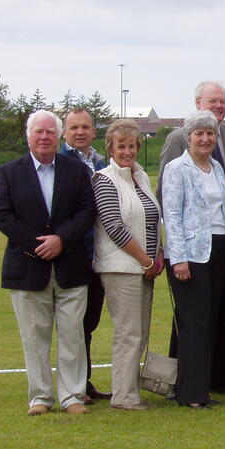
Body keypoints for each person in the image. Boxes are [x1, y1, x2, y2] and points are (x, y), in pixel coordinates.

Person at [0, 110, 96, 415]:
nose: (44, 136)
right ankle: (40, 398)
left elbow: (87, 212)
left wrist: (61, 240)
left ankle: (72, 397)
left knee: (73, 336)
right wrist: (39, 245)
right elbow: (3, 216)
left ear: (59, 135)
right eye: (38, 131)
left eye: (50, 131)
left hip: (71, 267)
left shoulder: (77, 171)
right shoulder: (9, 172)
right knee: (34, 338)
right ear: (28, 136)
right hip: (27, 267)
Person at [157, 80, 225, 397]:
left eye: (210, 133)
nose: (205, 138)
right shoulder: (177, 168)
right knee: (193, 322)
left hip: (218, 251)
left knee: (212, 319)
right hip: (190, 254)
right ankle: (190, 391)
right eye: (199, 134)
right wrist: (178, 258)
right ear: (188, 137)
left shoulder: (217, 167)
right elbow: (172, 213)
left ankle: (206, 384)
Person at [91, 120, 163, 411]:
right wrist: (145, 260)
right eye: (121, 146)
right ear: (110, 148)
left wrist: (157, 254)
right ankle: (123, 396)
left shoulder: (140, 177)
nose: (127, 151)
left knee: (139, 332)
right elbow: (114, 226)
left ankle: (129, 390)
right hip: (121, 269)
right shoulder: (104, 179)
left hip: (144, 269)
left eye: (132, 146)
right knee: (128, 332)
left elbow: (151, 220)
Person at [60, 108, 110, 402]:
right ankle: (73, 385)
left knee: (89, 322)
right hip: (73, 255)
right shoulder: (59, 163)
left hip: (99, 256)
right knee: (72, 325)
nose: (80, 132)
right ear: (64, 132)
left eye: (85, 127)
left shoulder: (102, 162)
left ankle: (84, 380)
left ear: (94, 131)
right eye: (74, 127)